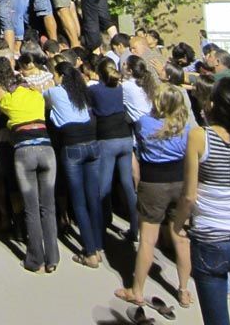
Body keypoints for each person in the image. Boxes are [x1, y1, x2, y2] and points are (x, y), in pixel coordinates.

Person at [173, 77, 230, 325]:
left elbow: (189, 195)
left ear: (214, 104)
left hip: (210, 238)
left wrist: (177, 225)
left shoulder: (200, 136)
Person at [115, 84, 192, 309]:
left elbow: (137, 146)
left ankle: (137, 290)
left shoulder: (144, 123)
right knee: (181, 237)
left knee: (148, 240)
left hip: (153, 182)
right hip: (180, 181)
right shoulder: (186, 128)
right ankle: (184, 290)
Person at [0, 55, 59, 273]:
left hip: (24, 152)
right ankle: (52, 257)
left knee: (31, 207)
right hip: (47, 150)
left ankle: (35, 259)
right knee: (48, 206)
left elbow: (0, 110)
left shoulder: (7, 101)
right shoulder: (37, 96)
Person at [45, 61, 103, 268]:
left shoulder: (54, 92)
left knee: (78, 201)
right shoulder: (82, 92)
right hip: (92, 143)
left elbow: (44, 98)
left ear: (60, 76)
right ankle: (98, 246)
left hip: (72, 145)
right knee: (93, 198)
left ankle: (90, 252)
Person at [88, 58, 138, 244]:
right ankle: (135, 227)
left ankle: (101, 228)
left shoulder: (94, 90)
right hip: (125, 136)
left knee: (104, 185)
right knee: (128, 184)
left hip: (106, 138)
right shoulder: (120, 88)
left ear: (99, 73)